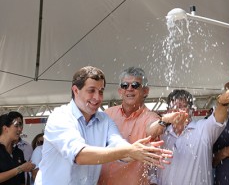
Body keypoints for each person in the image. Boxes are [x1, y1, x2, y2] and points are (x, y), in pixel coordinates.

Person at [34, 66, 173, 185]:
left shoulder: (104, 119)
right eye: (91, 90)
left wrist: (140, 151)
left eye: (101, 91)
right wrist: (131, 151)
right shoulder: (60, 117)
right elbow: (80, 155)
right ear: (76, 90)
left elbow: (118, 145)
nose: (98, 97)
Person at [98, 67, 181, 185]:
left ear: (145, 91)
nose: (129, 89)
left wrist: (164, 121)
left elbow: (153, 129)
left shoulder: (150, 116)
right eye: (125, 85)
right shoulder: (108, 114)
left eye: (135, 85)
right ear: (120, 91)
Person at [154, 89, 229, 185]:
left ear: (191, 110)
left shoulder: (203, 129)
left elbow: (218, 119)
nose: (178, 111)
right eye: (174, 106)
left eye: (183, 106)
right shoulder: (161, 135)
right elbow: (152, 174)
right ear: (168, 111)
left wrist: (222, 104)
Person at [0, 113, 35, 185]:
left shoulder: (18, 152)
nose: (20, 129)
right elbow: (21, 169)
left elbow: (22, 179)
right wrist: (20, 169)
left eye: (21, 126)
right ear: (5, 128)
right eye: (16, 126)